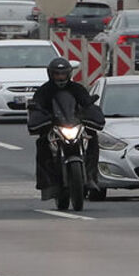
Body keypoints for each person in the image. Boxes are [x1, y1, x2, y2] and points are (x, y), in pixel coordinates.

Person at [29, 57, 101, 200]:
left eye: (63, 74)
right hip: (53, 127)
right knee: (42, 144)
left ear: (69, 74)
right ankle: (48, 184)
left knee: (93, 138)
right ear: (51, 74)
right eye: (57, 74)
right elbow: (37, 104)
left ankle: (91, 176)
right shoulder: (44, 90)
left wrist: (90, 111)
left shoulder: (77, 88)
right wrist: (38, 113)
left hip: (74, 124)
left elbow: (86, 103)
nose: (60, 77)